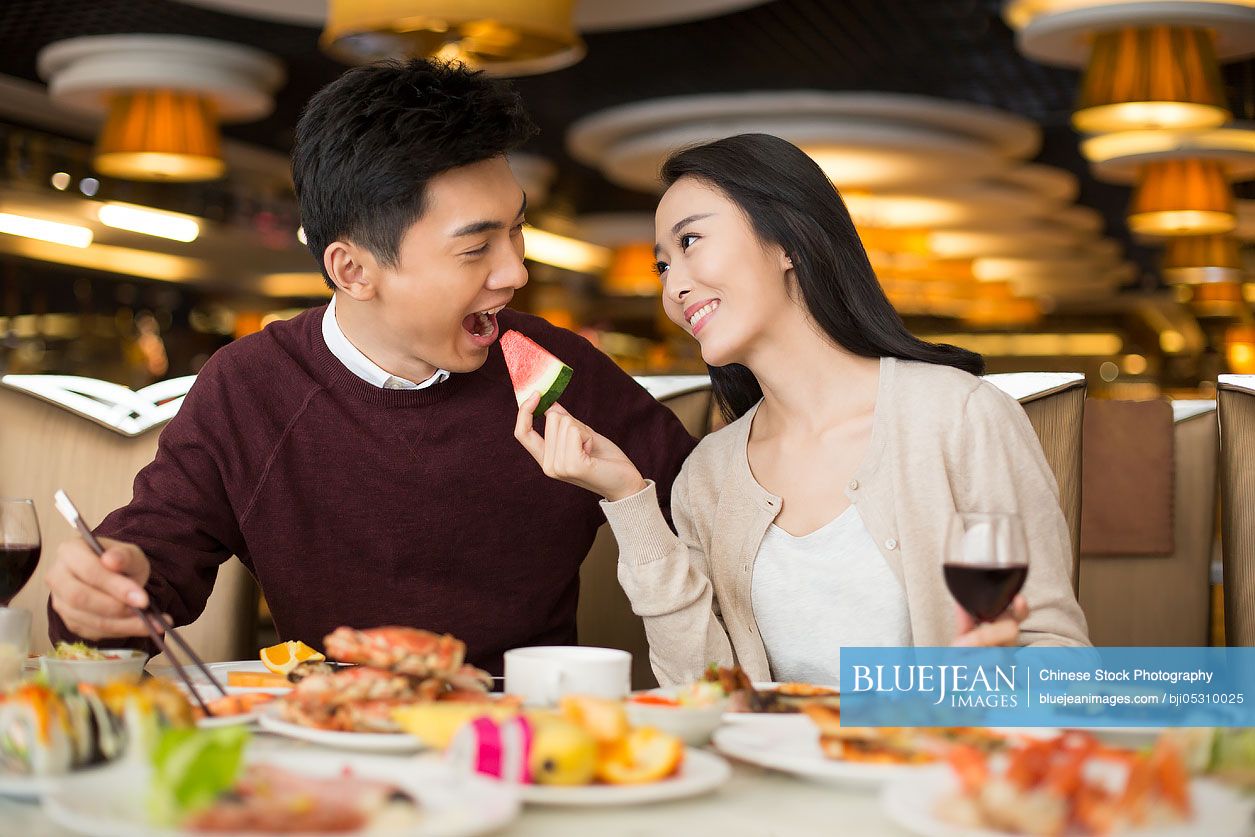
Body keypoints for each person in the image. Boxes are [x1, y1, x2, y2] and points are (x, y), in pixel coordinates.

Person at [44, 59, 696, 675]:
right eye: (475, 249)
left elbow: (709, 510)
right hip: (333, 738)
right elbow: (145, 575)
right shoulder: (249, 386)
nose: (515, 272)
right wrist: (101, 589)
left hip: (529, 743)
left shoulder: (560, 369)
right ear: (352, 270)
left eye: (516, 231)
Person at [515, 133, 1090, 687]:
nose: (673, 287)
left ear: (788, 241)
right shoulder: (709, 474)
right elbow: (703, 692)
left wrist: (977, 685)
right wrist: (627, 500)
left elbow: (1061, 660)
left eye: (690, 242)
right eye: (662, 266)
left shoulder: (960, 417)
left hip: (934, 777)